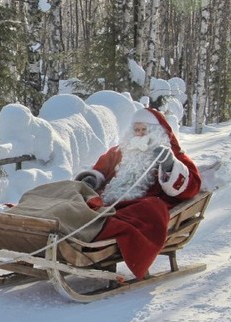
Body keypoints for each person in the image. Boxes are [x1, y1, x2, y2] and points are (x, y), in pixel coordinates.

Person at [73, 107, 202, 278]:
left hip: (140, 204)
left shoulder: (172, 155)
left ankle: (100, 231)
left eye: (144, 130)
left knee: (151, 208)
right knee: (72, 194)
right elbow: (101, 169)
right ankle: (71, 224)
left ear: (156, 132)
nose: (140, 134)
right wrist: (92, 178)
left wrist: (170, 165)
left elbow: (192, 187)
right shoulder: (119, 152)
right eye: (136, 130)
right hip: (107, 201)